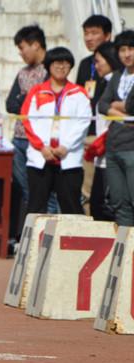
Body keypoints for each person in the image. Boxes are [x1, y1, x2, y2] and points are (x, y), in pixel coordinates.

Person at [22, 47, 91, 216]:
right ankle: (34, 235)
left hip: (68, 159)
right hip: (40, 158)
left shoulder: (79, 93)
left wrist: (66, 146)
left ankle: (74, 235)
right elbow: (27, 120)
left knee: (71, 207)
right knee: (36, 207)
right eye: (57, 63)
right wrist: (41, 147)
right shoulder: (37, 91)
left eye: (66, 63)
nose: (61, 67)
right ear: (48, 66)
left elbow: (83, 122)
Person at [6, 25, 47, 239]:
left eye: (22, 48)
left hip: (39, 142)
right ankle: (25, 235)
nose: (21, 53)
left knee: (39, 190)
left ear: (36, 45)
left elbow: (44, 103)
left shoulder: (49, 71)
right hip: (19, 138)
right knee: (23, 190)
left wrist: (25, 99)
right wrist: (28, 99)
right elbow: (10, 104)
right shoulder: (22, 73)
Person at [76, 15, 113, 214]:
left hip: (109, 136)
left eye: (94, 33)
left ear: (107, 35)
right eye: (86, 33)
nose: (89, 38)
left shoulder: (117, 70)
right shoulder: (85, 64)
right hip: (88, 133)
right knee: (87, 190)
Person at [98, 30, 134, 227]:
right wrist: (124, 116)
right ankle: (126, 241)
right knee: (119, 201)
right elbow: (102, 105)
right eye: (122, 50)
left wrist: (119, 106)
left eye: (131, 49)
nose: (127, 54)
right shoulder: (117, 76)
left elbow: (131, 106)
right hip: (114, 146)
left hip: (132, 147)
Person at [86, 42, 121, 222]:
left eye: (98, 61)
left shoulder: (119, 84)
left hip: (114, 150)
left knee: (107, 204)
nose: (96, 66)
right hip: (102, 152)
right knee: (97, 203)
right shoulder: (105, 83)